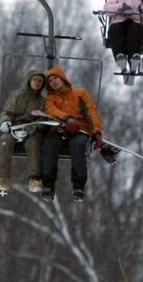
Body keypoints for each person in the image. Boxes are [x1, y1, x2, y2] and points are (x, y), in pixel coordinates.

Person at [37, 67, 102, 202]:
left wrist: (97, 131)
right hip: (59, 129)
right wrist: (66, 118)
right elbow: (51, 110)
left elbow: (91, 112)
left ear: (62, 78)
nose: (53, 82)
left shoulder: (80, 94)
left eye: (55, 78)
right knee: (50, 145)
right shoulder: (51, 99)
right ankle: (48, 184)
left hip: (79, 130)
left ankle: (78, 186)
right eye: (50, 81)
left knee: (78, 146)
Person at [0, 70, 47, 193]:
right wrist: (5, 122)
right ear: (29, 80)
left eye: (40, 81)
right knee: (5, 141)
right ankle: (1, 177)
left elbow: (43, 120)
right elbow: (7, 112)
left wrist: (35, 127)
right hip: (14, 126)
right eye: (35, 80)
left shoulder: (42, 101)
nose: (37, 83)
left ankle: (34, 178)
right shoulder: (17, 95)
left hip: (30, 129)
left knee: (34, 143)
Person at [102, 0, 143, 83]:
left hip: (137, 24)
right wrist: (121, 7)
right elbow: (106, 9)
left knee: (134, 30)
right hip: (119, 22)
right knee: (115, 29)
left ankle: (134, 58)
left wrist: (131, 12)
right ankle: (120, 57)